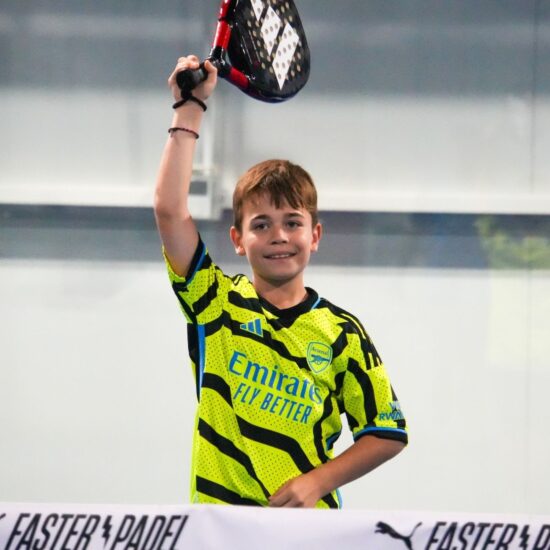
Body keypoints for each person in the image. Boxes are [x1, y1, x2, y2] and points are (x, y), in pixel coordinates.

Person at [154, 55, 408, 509]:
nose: (279, 237)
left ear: (315, 235)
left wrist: (317, 483)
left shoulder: (342, 334)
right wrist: (188, 108)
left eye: (293, 223)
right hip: (219, 530)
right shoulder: (215, 304)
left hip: (310, 534)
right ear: (237, 239)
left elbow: (387, 431)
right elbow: (170, 210)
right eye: (261, 225)